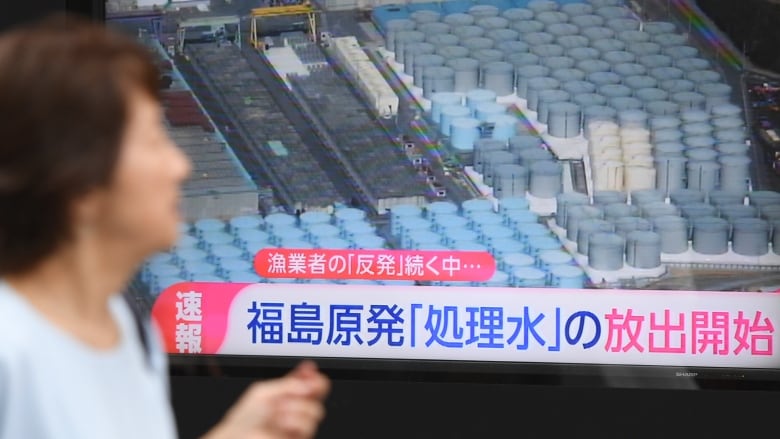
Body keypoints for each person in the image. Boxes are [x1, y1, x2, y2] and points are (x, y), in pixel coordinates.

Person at [0, 13, 330, 439]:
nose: (179, 166)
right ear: (78, 182)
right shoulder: (12, 347)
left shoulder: (125, 328)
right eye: (153, 142)